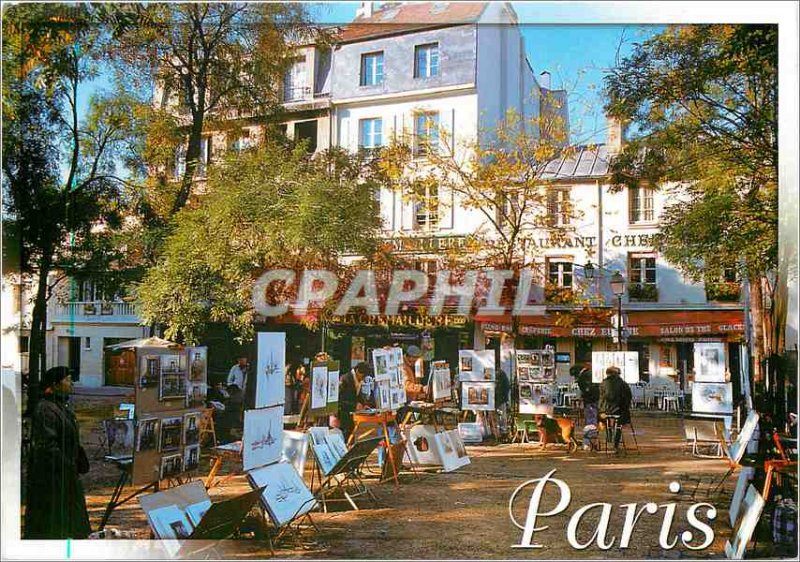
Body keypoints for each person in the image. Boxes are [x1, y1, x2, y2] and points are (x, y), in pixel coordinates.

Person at [24, 366, 91, 539]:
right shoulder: (46, 408)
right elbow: (47, 446)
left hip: (65, 476)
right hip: (53, 481)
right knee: (54, 527)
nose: (71, 383)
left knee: (70, 525)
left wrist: (79, 457)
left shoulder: (59, 405)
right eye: (67, 380)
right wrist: (68, 466)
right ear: (54, 384)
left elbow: (68, 436)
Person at [599, 365, 633, 452]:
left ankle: (609, 435)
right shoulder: (623, 384)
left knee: (604, 418)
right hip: (619, 411)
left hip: (604, 411)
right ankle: (616, 443)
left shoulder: (603, 383)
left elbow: (600, 397)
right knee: (620, 421)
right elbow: (628, 397)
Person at [338, 362, 371, 440]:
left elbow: (358, 395)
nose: (363, 378)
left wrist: (363, 404)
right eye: (363, 376)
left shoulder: (359, 380)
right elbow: (339, 400)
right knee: (345, 437)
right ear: (357, 371)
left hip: (352, 415)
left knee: (351, 437)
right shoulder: (345, 379)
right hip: (344, 414)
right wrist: (354, 405)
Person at [576, 362, 600, 451]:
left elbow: (582, 386)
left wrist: (584, 395)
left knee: (590, 422)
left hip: (589, 401)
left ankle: (588, 443)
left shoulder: (584, 375)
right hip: (594, 400)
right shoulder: (594, 374)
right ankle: (594, 442)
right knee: (592, 422)